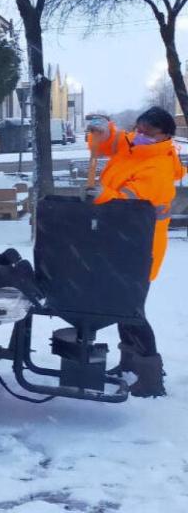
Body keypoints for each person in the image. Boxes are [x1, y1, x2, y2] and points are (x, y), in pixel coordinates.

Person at [87, 107, 186, 397]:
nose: (139, 135)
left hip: (140, 247)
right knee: (123, 306)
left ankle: (150, 377)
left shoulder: (159, 168)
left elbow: (131, 206)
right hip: (121, 242)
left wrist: (103, 195)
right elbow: (108, 143)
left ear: (166, 135)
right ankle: (130, 365)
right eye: (138, 128)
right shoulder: (135, 146)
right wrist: (104, 130)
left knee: (131, 309)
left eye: (147, 132)